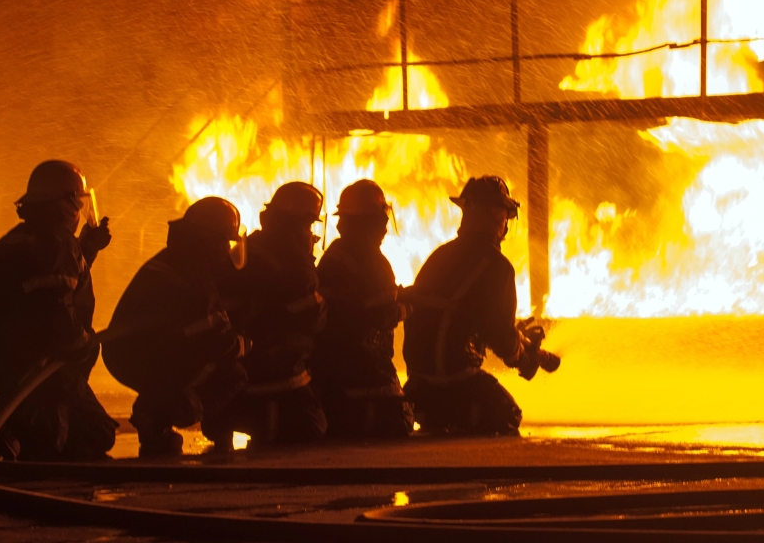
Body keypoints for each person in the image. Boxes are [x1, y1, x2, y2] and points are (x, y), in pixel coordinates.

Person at [0, 160, 118, 460]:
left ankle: (19, 411)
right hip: (40, 357)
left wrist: (87, 249)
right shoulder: (56, 243)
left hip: (4, 352)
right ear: (66, 203)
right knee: (96, 433)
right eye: (77, 202)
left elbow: (50, 282)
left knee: (56, 413)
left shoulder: (22, 238)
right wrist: (76, 343)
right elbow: (56, 302)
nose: (79, 211)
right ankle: (20, 419)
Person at [403, 176, 557, 436]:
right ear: (499, 216)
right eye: (506, 216)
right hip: (457, 381)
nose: (506, 223)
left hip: (417, 387)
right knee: (507, 416)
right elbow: (501, 338)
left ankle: (440, 417)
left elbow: (461, 315)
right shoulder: (498, 267)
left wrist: (515, 334)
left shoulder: (440, 255)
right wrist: (522, 356)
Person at [102, 197, 249, 456]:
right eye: (224, 241)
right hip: (139, 355)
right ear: (209, 240)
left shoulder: (181, 260)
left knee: (203, 361)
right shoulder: (192, 273)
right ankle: (158, 416)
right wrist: (242, 345)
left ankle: (156, 415)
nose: (227, 250)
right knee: (232, 372)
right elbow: (214, 336)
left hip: (131, 349)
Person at [207, 182, 328, 447]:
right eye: (310, 226)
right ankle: (270, 423)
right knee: (313, 428)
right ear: (299, 223)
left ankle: (229, 419)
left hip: (232, 373)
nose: (312, 235)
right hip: (274, 376)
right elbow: (314, 321)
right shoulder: (293, 262)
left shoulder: (248, 247)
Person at [310, 180, 413, 438]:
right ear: (374, 222)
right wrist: (410, 307)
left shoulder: (336, 255)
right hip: (365, 383)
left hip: (338, 385)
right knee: (401, 424)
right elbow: (380, 314)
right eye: (382, 219)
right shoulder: (369, 262)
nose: (386, 226)